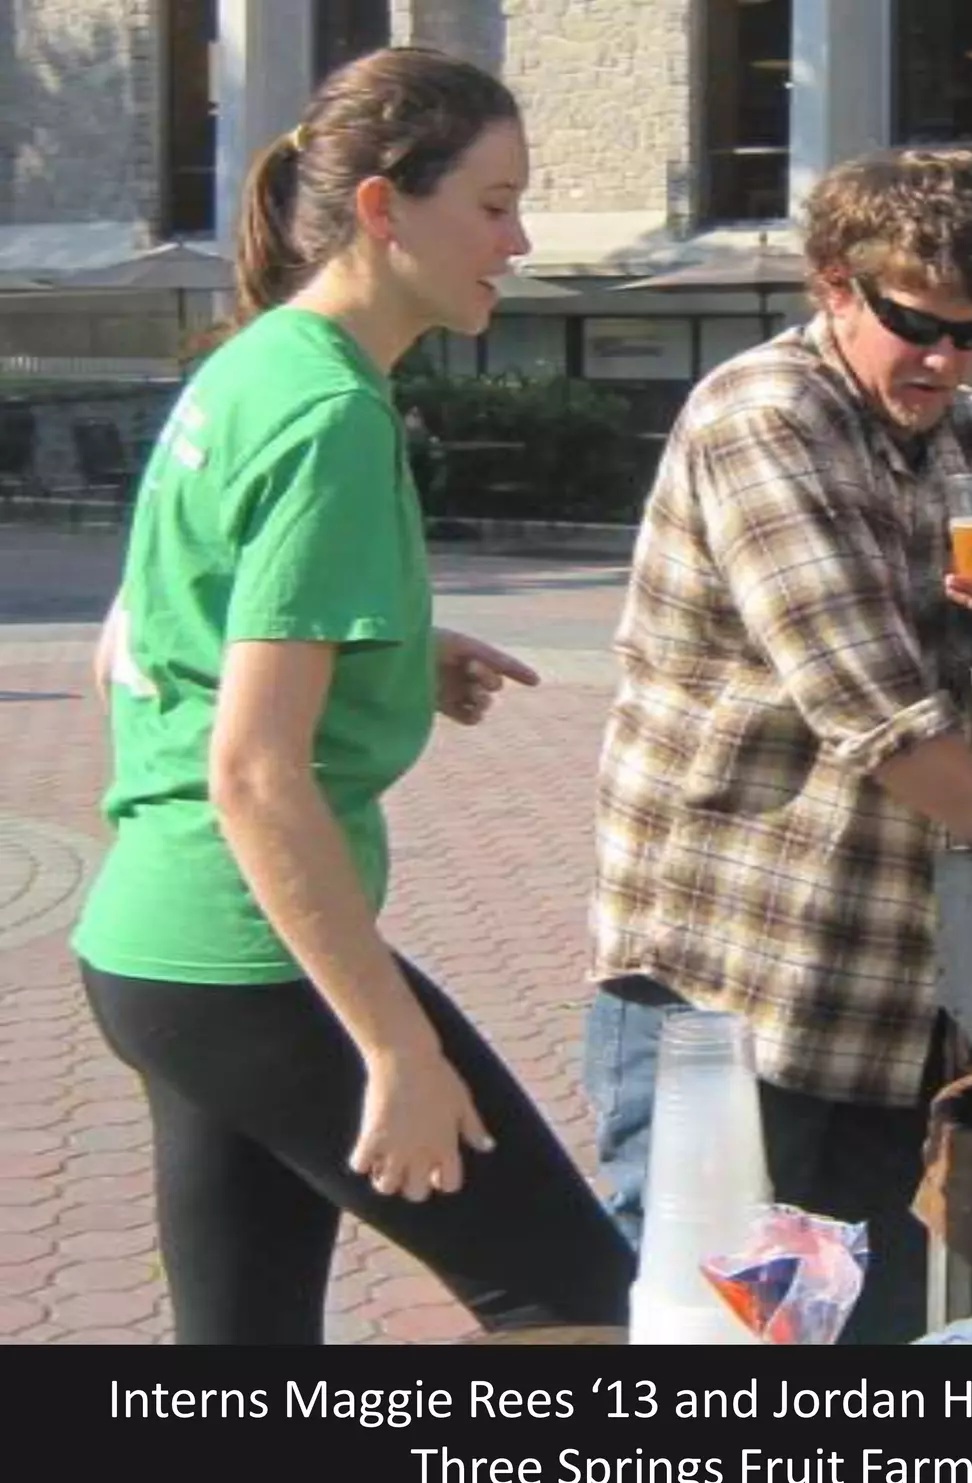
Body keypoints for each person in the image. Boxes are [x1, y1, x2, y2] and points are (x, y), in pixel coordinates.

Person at [70, 47, 634, 1344]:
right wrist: (394, 1050)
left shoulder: (251, 363)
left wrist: (393, 653)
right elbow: (253, 772)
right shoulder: (331, 415)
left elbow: (142, 640)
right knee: (575, 1305)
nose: (519, 241)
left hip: (155, 953)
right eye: (493, 205)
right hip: (247, 960)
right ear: (385, 209)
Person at [583, 148, 972, 1344]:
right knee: (708, 1324)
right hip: (727, 977)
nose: (944, 360)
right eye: (915, 323)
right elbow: (872, 710)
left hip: (886, 984)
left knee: (860, 1324)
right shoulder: (763, 417)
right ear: (832, 283)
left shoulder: (971, 432)